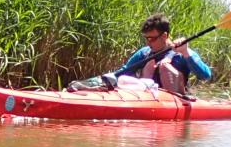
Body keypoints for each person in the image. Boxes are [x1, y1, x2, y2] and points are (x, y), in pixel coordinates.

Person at [70, 14, 212, 99]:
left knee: (164, 66)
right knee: (149, 65)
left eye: (152, 39)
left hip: (174, 99)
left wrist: (186, 53)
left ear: (164, 36)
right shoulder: (144, 53)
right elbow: (121, 73)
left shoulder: (181, 52)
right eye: (146, 38)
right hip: (147, 97)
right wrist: (88, 83)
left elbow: (206, 75)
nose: (148, 42)